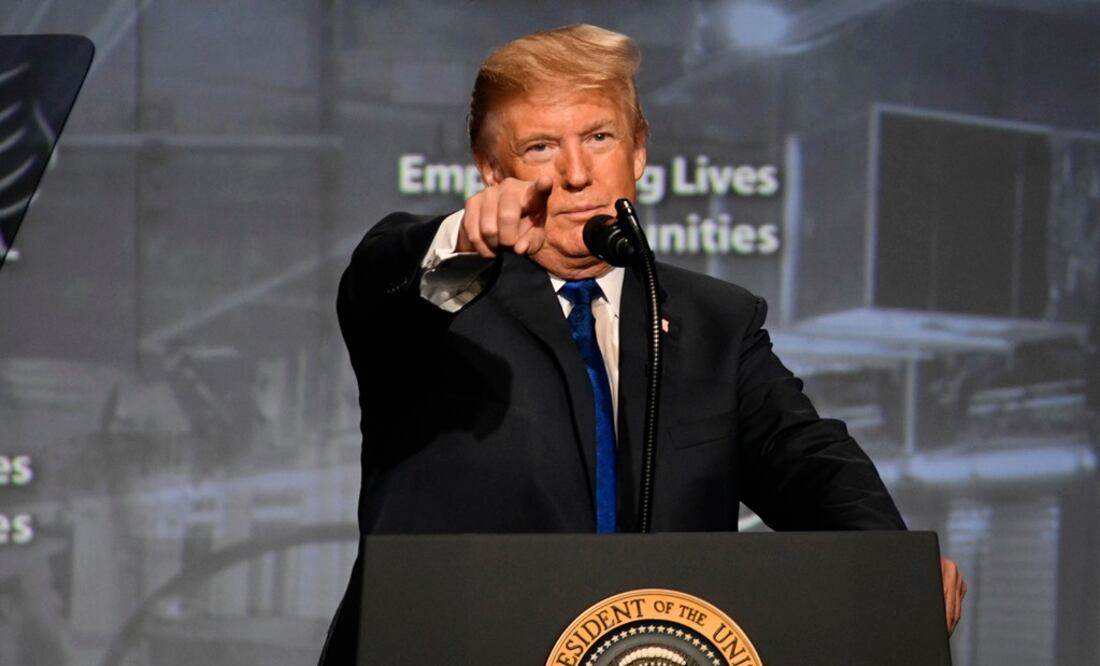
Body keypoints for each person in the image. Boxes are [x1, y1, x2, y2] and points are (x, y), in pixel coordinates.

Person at [322, 23, 966, 663]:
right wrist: (464, 237)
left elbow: (806, 457)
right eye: (541, 147)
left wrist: (888, 562)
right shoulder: (441, 296)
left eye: (599, 137)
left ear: (638, 151)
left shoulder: (716, 320)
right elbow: (382, 278)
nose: (576, 174)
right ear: (492, 170)